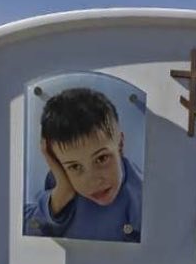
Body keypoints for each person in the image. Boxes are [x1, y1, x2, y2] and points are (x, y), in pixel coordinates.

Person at [24, 87, 142, 243]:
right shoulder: (60, 181)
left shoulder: (139, 198)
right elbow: (27, 230)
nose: (92, 181)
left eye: (101, 158)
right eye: (75, 167)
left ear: (120, 144)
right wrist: (60, 196)